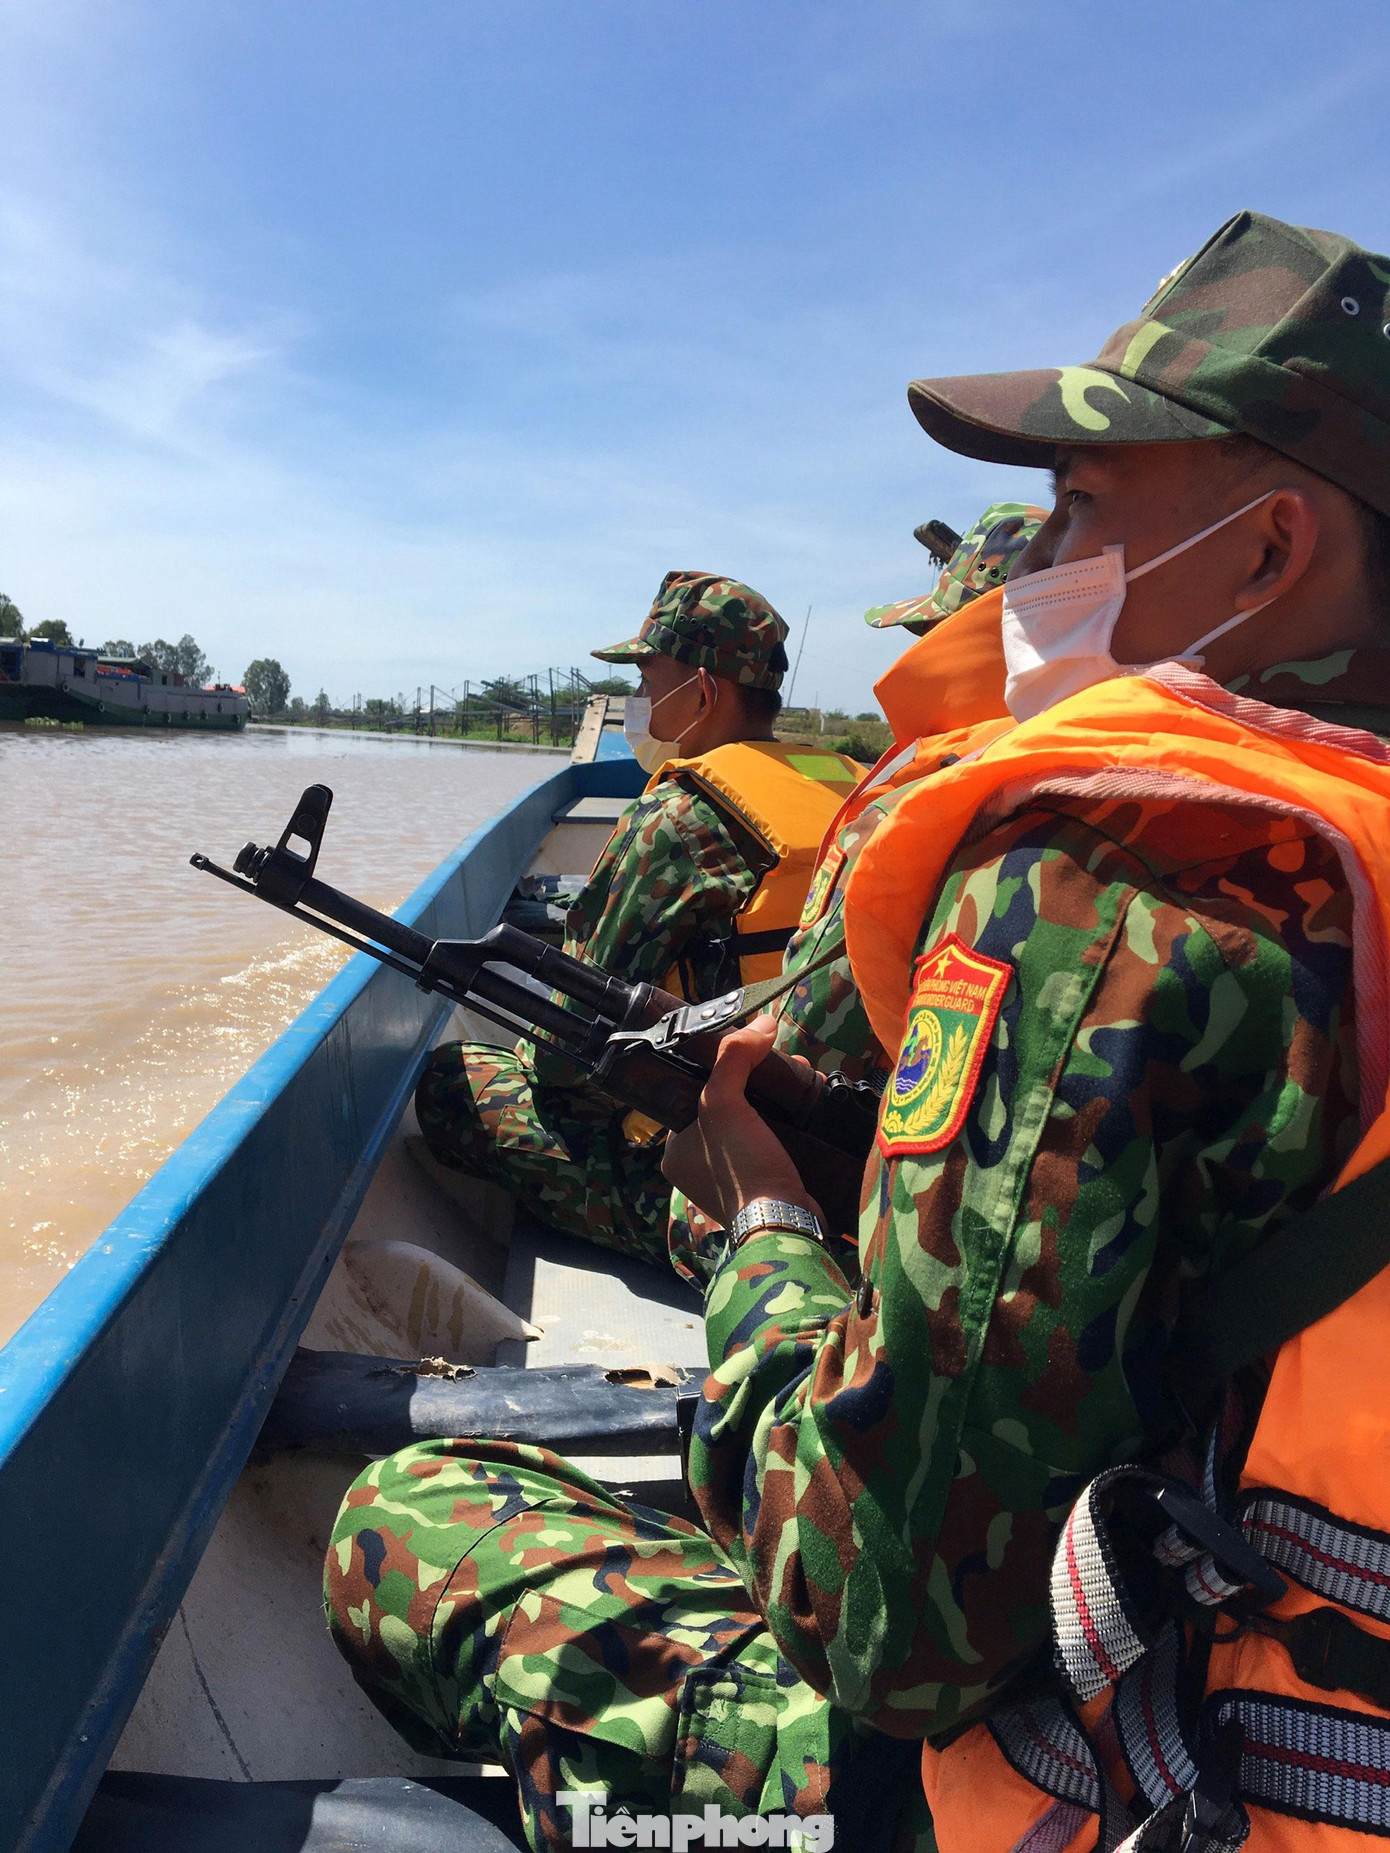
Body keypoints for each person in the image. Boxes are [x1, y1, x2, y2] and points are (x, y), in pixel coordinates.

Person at [326, 211, 1390, 1852]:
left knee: (407, 1517)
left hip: (1163, 1788)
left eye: (1083, 503)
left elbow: (890, 1628)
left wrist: (754, 1216)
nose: (1034, 564)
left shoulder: (1106, 895)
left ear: (1268, 553)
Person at [414, 569, 860, 1269]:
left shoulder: (678, 820)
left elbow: (563, 1062)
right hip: (855, 1146)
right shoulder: (863, 788)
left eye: (652, 685)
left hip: (721, 1172)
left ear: (704, 692)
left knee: (452, 1083)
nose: (642, 705)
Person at [669, 501, 1044, 1286]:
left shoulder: (914, 799)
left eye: (931, 632)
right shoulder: (1094, 776)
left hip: (874, 1232)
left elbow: (803, 1060)